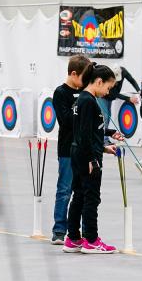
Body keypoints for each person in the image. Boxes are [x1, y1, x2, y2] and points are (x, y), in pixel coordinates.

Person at [63, 64, 123, 254]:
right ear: (98, 81)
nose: (108, 92)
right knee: (91, 197)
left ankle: (73, 238)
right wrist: (93, 159)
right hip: (87, 156)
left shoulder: (82, 99)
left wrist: (105, 145)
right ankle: (91, 239)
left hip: (79, 153)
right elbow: (85, 135)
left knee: (79, 195)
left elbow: (86, 131)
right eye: (108, 87)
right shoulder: (88, 101)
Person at [50, 54, 90, 244]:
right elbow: (65, 121)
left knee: (81, 192)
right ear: (74, 74)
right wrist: (79, 110)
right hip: (67, 149)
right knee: (65, 190)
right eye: (84, 76)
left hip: (83, 150)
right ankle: (59, 230)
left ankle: (76, 232)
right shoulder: (61, 93)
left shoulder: (85, 92)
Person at [101, 65, 140, 143]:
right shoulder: (108, 75)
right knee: (105, 117)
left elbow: (131, 80)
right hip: (103, 96)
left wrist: (139, 90)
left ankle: (104, 139)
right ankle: (104, 140)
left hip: (110, 98)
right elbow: (114, 94)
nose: (117, 81)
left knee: (108, 116)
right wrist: (129, 99)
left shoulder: (123, 71)